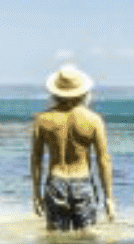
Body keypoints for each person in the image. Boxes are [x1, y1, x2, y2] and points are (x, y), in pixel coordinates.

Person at [30, 64, 114, 230]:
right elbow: (103, 160)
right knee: (86, 239)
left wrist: (36, 194)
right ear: (83, 92)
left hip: (55, 182)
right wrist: (109, 198)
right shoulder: (94, 120)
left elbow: (36, 159)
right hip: (82, 181)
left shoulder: (42, 120)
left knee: (55, 240)